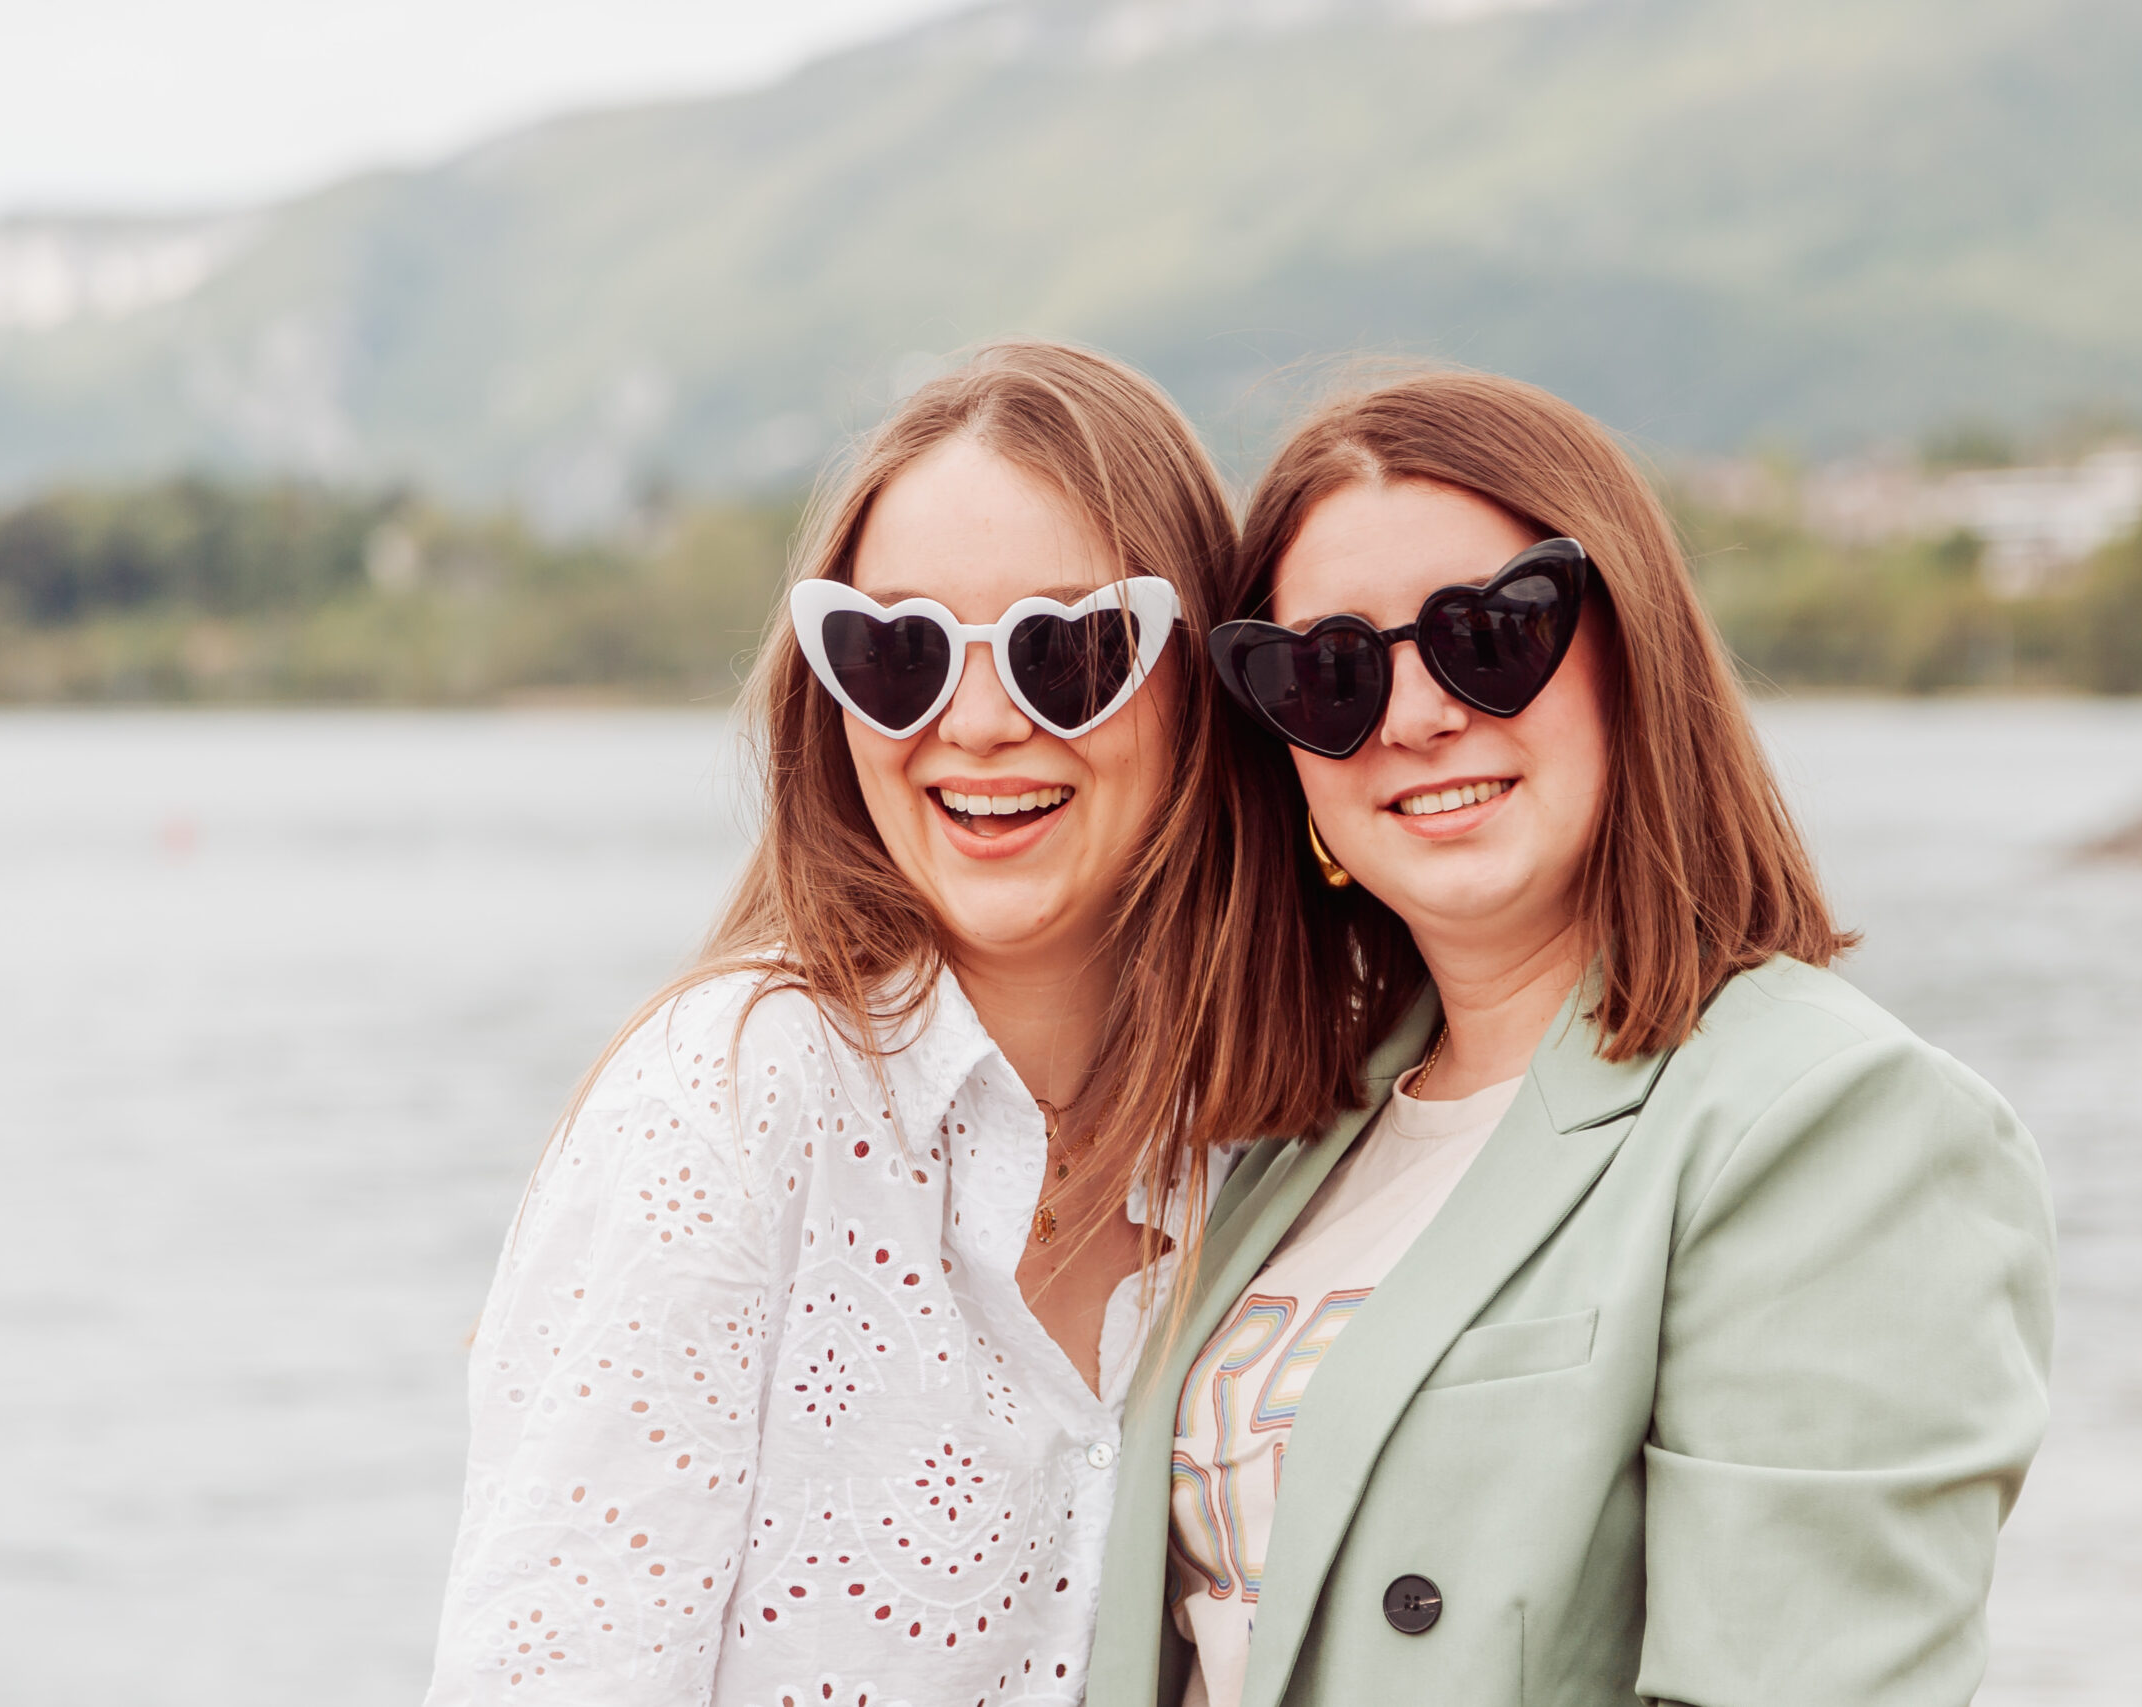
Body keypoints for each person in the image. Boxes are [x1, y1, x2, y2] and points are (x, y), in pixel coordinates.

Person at [1087, 371, 2058, 1707]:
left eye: (1485, 635)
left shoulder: (1832, 1121)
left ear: (1630, 647)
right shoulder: (1284, 1140)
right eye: (1330, 672)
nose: (1418, 717)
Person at [423, 341, 1365, 1705]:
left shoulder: (1278, 1129)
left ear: (1200, 680)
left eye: (1070, 650)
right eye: (898, 653)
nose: (975, 722)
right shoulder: (726, 1107)